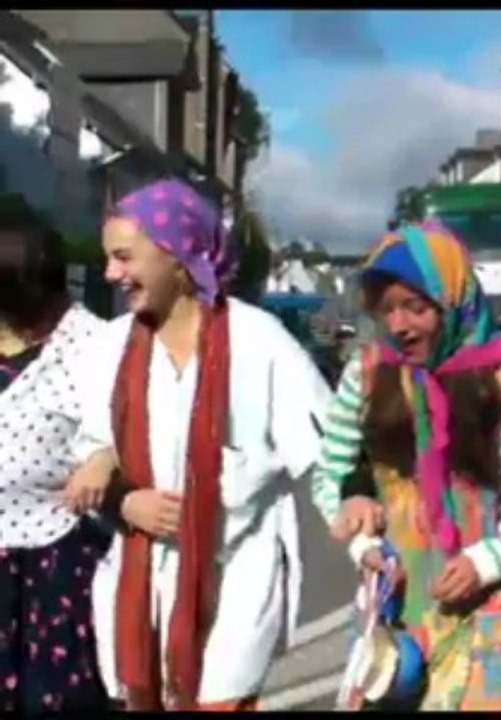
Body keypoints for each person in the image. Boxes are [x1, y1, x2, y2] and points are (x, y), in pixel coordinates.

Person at [63, 178, 329, 711]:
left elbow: (328, 455)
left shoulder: (261, 342)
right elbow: (91, 450)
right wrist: (121, 497)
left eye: (123, 257)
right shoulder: (108, 347)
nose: (111, 275)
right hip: (139, 586)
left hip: (234, 579)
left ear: (178, 258)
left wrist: (362, 524)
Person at [312, 222, 501, 710]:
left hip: (497, 616)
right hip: (396, 621)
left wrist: (488, 562)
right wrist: (361, 536)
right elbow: (330, 473)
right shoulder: (368, 375)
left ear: (453, 299)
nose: (399, 325)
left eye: (416, 307)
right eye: (387, 309)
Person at [0, 204, 111, 714]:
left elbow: (134, 425)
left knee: (57, 699)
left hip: (57, 553)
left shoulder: (94, 344)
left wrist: (105, 457)